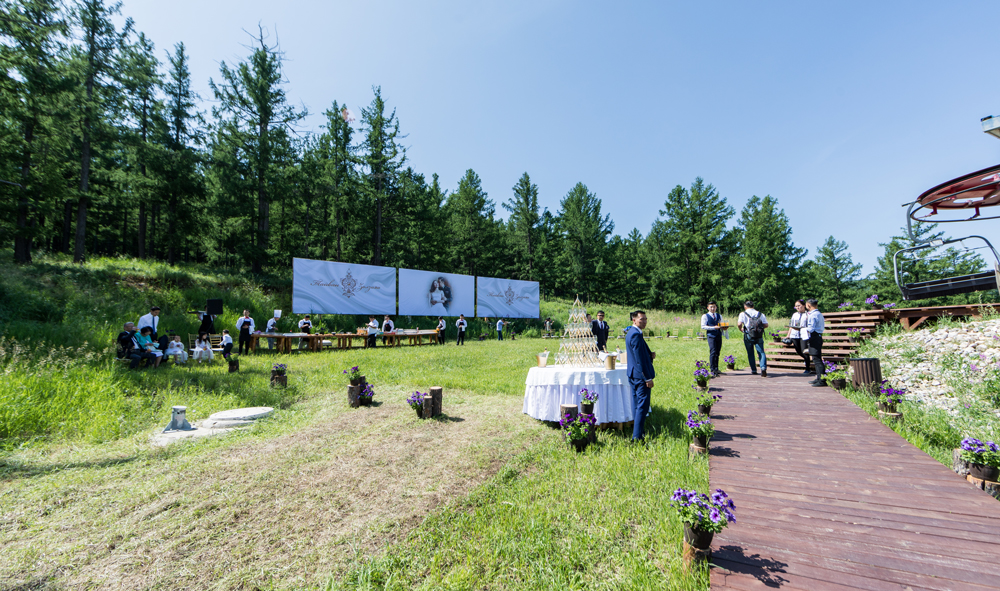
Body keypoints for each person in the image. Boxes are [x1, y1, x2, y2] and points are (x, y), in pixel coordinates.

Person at [625, 310, 656, 442]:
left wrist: (649, 354)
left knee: (637, 405)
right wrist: (647, 378)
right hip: (640, 376)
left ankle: (638, 432)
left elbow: (640, 352)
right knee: (642, 406)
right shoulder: (636, 335)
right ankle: (637, 437)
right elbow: (638, 360)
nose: (644, 321)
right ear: (634, 320)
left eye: (645, 319)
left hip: (633, 374)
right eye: (641, 319)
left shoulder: (633, 333)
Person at [737, 300, 768, 377]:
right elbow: (766, 325)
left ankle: (754, 370)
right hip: (758, 335)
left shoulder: (743, 314)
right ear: (753, 306)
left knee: (750, 353)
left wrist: (741, 329)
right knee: (761, 352)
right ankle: (763, 368)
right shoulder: (760, 314)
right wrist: (759, 328)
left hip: (748, 335)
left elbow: (739, 324)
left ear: (745, 306)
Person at [804, 299, 826, 386]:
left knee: (817, 360)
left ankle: (822, 381)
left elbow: (811, 328)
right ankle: (819, 378)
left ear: (808, 305)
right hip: (818, 336)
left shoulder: (813, 315)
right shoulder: (819, 313)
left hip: (815, 337)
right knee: (816, 358)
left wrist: (802, 328)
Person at [701, 302, 725, 376]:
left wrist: (724, 327)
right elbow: (703, 326)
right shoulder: (705, 316)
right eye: (711, 307)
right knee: (713, 351)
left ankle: (716, 368)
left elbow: (722, 324)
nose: (712, 308)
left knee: (718, 352)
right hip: (711, 335)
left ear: (716, 307)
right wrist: (713, 327)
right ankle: (712, 369)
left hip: (718, 335)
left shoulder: (719, 315)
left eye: (714, 307)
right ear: (708, 308)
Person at [788, 300, 812, 374]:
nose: (797, 307)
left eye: (799, 305)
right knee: (798, 350)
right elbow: (791, 326)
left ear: (804, 305)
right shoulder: (795, 314)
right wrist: (788, 335)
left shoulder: (808, 314)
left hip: (804, 335)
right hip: (795, 334)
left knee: (804, 351)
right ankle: (807, 360)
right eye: (796, 306)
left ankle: (808, 368)